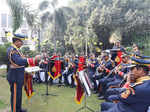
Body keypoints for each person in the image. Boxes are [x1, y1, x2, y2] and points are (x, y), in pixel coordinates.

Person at [6, 34, 41, 112]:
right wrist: (33, 59)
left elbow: (22, 62)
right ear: (17, 41)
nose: (22, 44)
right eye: (21, 42)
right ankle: (15, 110)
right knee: (15, 95)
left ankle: (18, 109)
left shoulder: (17, 50)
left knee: (18, 95)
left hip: (18, 76)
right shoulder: (12, 50)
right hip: (14, 76)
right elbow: (18, 61)